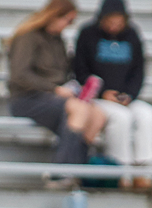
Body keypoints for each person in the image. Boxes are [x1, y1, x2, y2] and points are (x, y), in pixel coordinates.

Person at [7, 0, 106, 170]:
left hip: (54, 97)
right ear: (54, 15)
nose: (68, 25)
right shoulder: (28, 37)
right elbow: (19, 75)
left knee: (97, 115)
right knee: (79, 110)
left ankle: (79, 167)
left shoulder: (57, 41)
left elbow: (62, 73)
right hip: (27, 98)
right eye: (67, 21)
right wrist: (54, 89)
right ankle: (62, 170)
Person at [74, 0, 152, 190]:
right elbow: (80, 70)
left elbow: (138, 71)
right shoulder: (87, 34)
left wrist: (129, 95)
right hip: (98, 98)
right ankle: (121, 170)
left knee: (148, 115)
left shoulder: (132, 35)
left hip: (125, 97)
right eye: (110, 21)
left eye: (118, 22)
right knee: (121, 118)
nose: (114, 26)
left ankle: (142, 170)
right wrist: (103, 93)